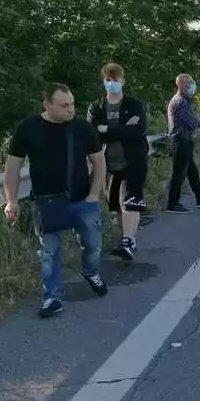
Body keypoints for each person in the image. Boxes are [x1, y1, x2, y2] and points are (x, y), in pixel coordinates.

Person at [3, 83, 109, 319]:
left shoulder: (81, 127)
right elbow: (12, 168)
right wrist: (12, 200)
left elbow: (99, 162)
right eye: (64, 105)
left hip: (83, 199)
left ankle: (90, 271)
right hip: (46, 202)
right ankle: (52, 297)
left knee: (93, 244)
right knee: (50, 252)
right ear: (47, 104)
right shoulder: (28, 128)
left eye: (72, 103)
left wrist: (94, 194)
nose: (71, 109)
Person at [86, 62, 149, 261]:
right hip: (107, 164)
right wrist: (122, 129)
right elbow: (93, 134)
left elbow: (138, 130)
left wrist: (108, 129)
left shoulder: (134, 104)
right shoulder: (97, 107)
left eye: (115, 80)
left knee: (130, 201)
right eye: (108, 80)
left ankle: (127, 240)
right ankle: (127, 239)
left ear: (122, 81)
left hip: (133, 161)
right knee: (116, 205)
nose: (112, 83)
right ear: (103, 82)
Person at [165, 73, 200, 213]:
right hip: (181, 140)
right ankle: (172, 204)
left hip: (184, 139)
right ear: (181, 84)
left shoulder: (183, 100)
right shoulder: (180, 102)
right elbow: (192, 122)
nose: (192, 85)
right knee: (179, 173)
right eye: (189, 83)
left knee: (192, 172)